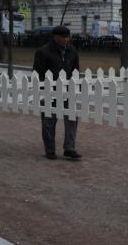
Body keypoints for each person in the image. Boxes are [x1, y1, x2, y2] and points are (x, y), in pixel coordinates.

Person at [33, 25, 82, 160]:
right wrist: (43, 90)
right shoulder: (43, 52)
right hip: (49, 92)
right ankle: (50, 150)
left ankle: (69, 148)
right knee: (49, 121)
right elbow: (38, 73)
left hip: (68, 91)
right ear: (55, 37)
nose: (66, 39)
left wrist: (75, 87)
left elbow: (76, 71)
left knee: (72, 118)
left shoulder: (72, 51)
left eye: (67, 37)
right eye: (63, 37)